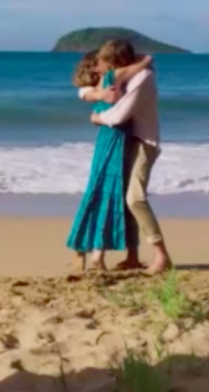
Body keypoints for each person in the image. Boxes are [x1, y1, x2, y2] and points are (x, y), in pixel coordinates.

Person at [90, 40, 173, 275]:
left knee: (135, 199)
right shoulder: (128, 76)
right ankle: (133, 256)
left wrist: (96, 118)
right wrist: (89, 94)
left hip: (144, 144)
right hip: (128, 143)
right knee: (124, 199)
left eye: (107, 63)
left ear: (116, 62)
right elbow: (84, 85)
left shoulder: (142, 78)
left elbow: (119, 114)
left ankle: (162, 255)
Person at [67, 49, 154, 272]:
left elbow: (84, 91)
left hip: (120, 141)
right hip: (114, 140)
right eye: (98, 62)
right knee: (107, 192)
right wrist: (145, 60)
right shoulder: (111, 79)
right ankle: (92, 254)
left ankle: (97, 253)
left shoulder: (106, 83)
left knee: (112, 195)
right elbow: (88, 92)